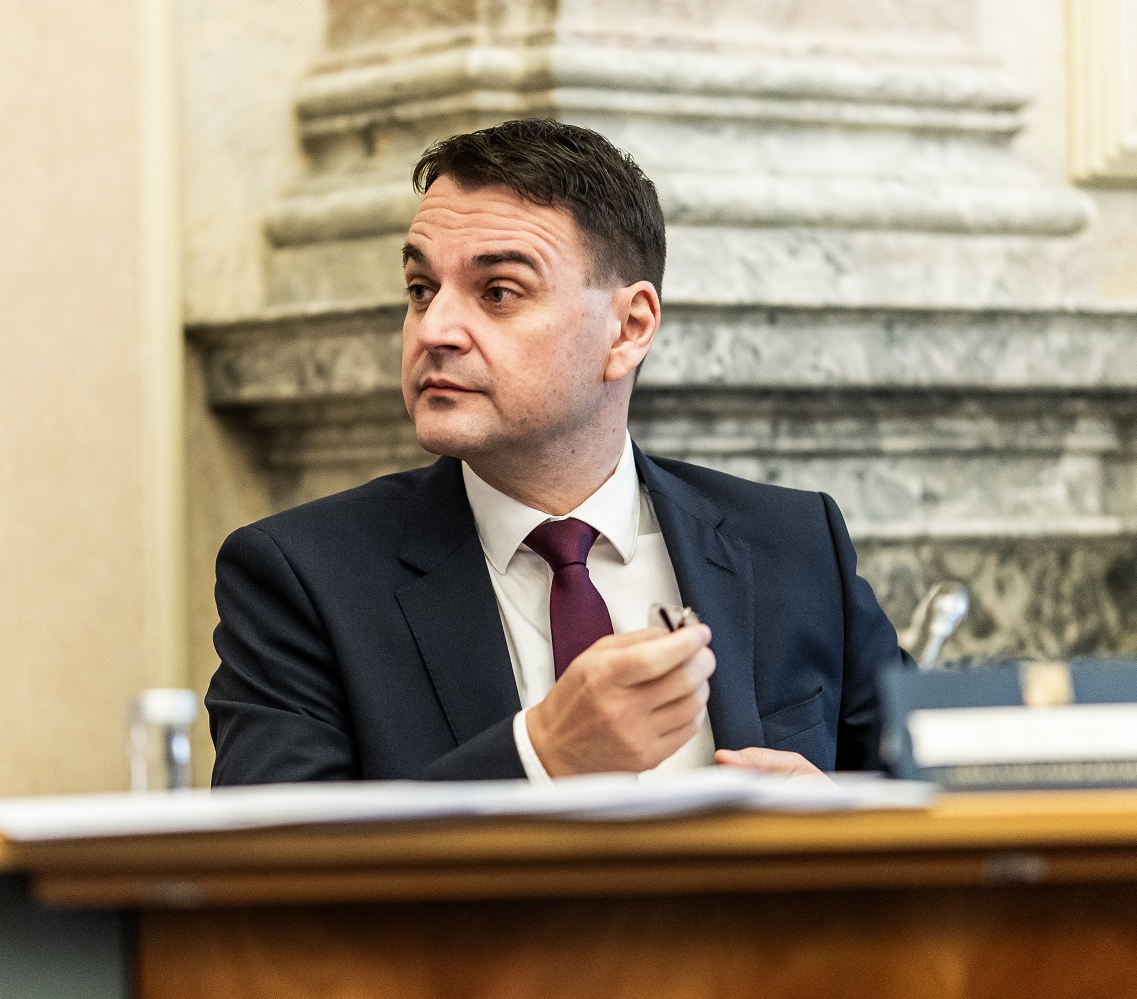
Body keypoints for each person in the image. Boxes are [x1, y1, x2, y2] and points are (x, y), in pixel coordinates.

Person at [206, 118, 908, 784]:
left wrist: (845, 822)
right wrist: (541, 756)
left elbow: (942, 783)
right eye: (421, 289)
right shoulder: (303, 578)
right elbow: (274, 856)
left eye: (498, 292)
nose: (434, 329)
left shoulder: (793, 544)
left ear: (629, 328)